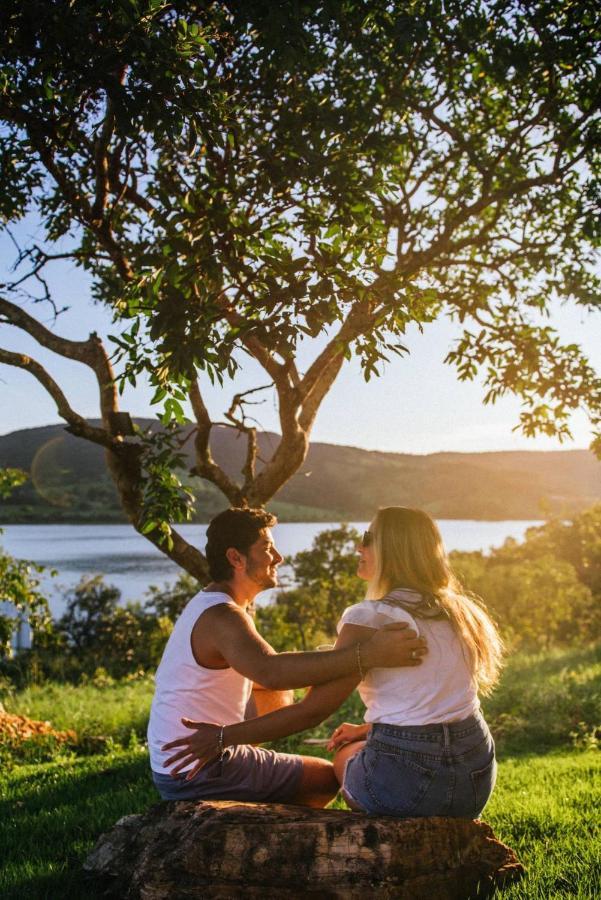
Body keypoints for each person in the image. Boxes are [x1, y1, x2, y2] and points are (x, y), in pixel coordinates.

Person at [163, 506, 503, 819]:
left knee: (341, 761)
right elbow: (436, 701)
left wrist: (223, 737)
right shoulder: (462, 612)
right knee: (353, 742)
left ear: (393, 549)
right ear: (235, 558)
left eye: (368, 538)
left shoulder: (369, 617)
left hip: (409, 792)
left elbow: (308, 707)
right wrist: (366, 722)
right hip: (476, 780)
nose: (358, 546)